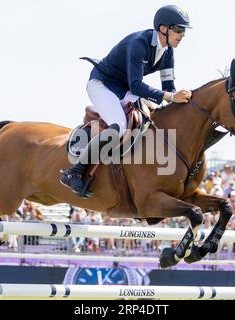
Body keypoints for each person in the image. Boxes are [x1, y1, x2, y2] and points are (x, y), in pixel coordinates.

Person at [60, 5, 193, 197]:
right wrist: (172, 97)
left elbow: (168, 86)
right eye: (179, 30)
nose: (182, 35)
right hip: (102, 84)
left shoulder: (168, 52)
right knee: (120, 127)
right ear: (163, 28)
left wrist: (179, 101)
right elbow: (138, 86)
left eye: (184, 32)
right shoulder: (139, 44)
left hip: (124, 88)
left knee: (149, 116)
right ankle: (75, 172)